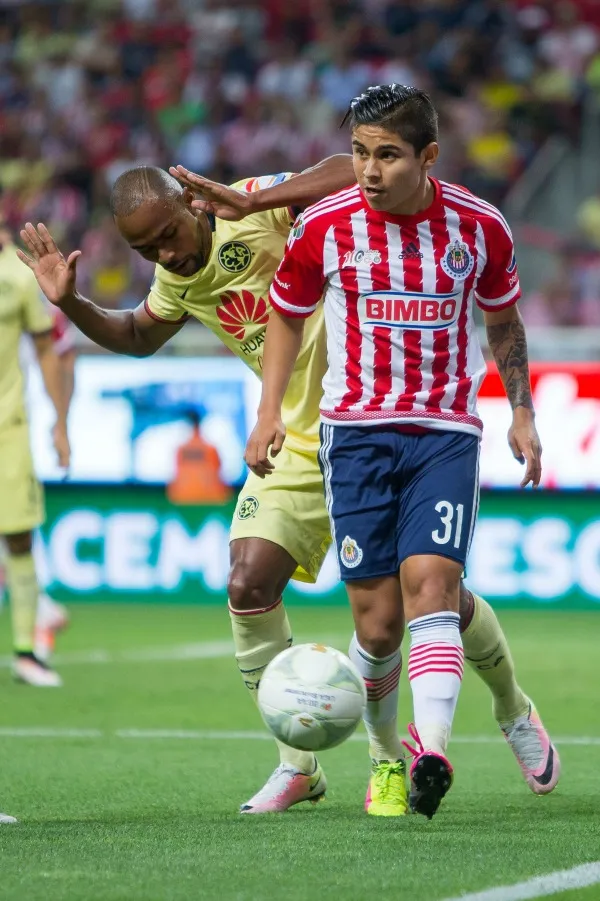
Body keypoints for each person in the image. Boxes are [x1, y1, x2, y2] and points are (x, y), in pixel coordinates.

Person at [19, 153, 556, 816]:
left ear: (192, 204)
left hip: (373, 416)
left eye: (167, 234)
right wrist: (70, 299)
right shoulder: (174, 278)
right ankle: (300, 765)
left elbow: (345, 171)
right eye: (143, 248)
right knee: (247, 581)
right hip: (295, 441)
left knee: (429, 599)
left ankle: (512, 705)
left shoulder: (256, 202)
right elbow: (135, 334)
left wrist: (248, 204)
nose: (165, 253)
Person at [244, 84, 560, 819]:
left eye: (387, 154)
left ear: (429, 157)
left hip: (443, 431)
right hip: (352, 436)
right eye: (358, 152)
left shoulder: (479, 228)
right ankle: (389, 754)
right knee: (377, 624)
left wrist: (521, 410)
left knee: (432, 584)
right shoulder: (324, 226)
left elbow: (503, 323)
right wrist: (268, 413)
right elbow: (286, 318)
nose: (368, 170)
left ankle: (429, 748)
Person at [0, 216, 68, 687]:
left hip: (8, 427)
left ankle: (27, 651)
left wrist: (60, 422)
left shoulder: (19, 274)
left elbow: (47, 348)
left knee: (18, 537)